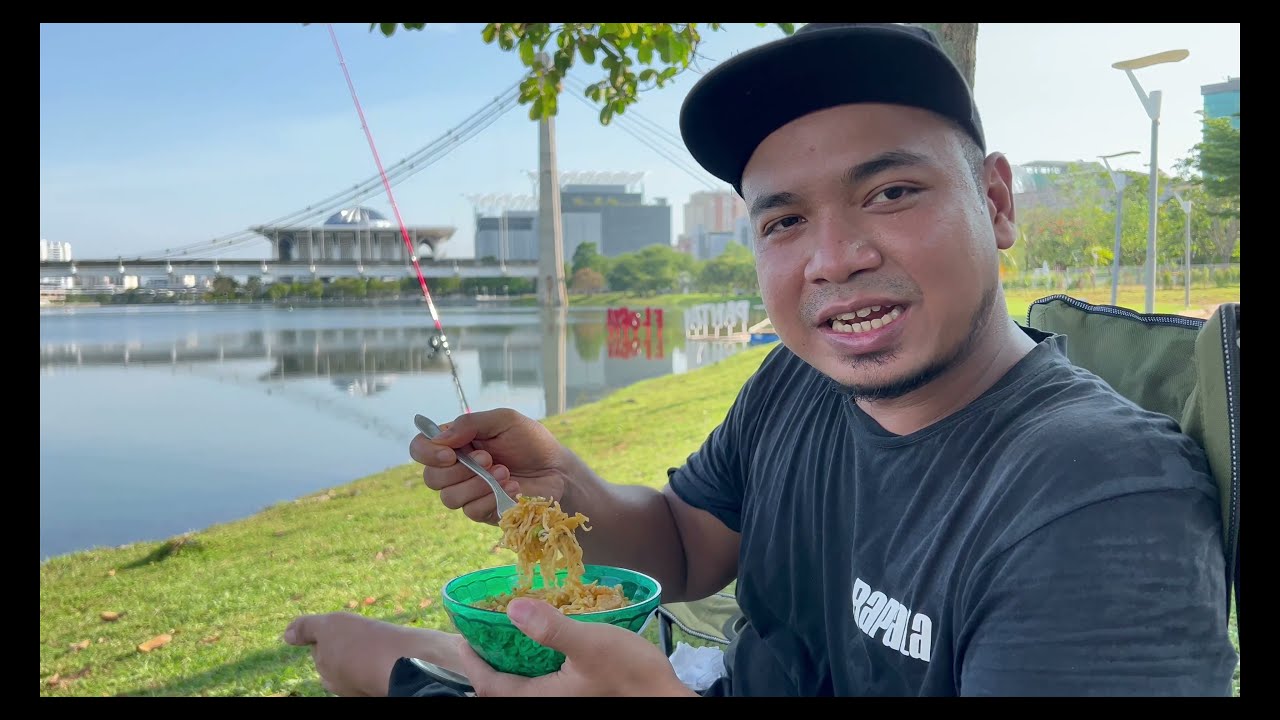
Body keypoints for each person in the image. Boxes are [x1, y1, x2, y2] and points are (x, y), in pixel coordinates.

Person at [284, 22, 1239, 696]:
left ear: (996, 203)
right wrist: (562, 485)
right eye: (784, 220)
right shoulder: (798, 383)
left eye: (894, 191)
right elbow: (690, 549)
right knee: (362, 652)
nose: (833, 258)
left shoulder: (1099, 499)